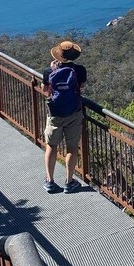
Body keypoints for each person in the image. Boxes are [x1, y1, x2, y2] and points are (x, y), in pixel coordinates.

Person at [42, 40, 87, 194]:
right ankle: (69, 182)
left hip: (55, 114)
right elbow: (81, 87)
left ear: (58, 55)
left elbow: (45, 89)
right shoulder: (80, 70)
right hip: (74, 112)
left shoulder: (49, 71)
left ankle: (50, 181)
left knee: (51, 146)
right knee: (72, 148)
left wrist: (53, 71)